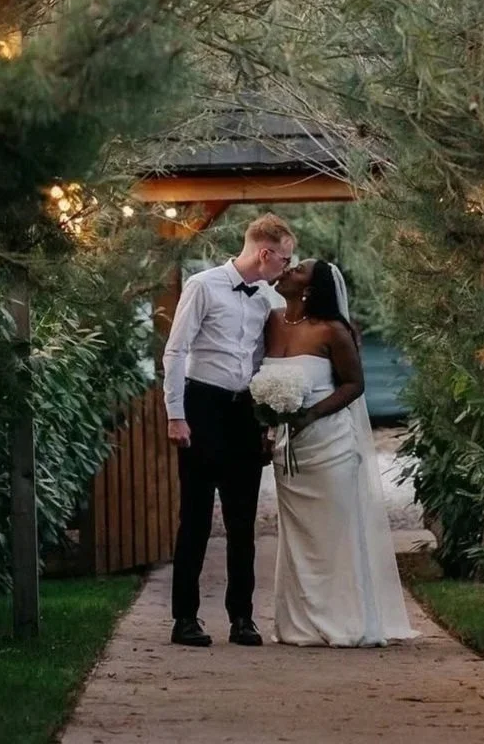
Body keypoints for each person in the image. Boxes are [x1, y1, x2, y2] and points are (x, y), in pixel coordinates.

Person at [265, 259, 419, 647]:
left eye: (297, 270)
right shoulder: (270, 320)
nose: (287, 271)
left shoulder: (333, 331)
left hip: (328, 445)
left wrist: (312, 414)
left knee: (334, 535)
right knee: (298, 539)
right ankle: (298, 623)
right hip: (288, 451)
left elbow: (354, 384)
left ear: (311, 289)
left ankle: (346, 621)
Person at [163, 212, 296, 647]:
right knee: (196, 519)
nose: (287, 269)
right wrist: (175, 414)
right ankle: (185, 619)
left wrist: (266, 418)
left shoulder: (267, 300)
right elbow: (176, 351)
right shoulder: (202, 286)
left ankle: (242, 618)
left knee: (243, 522)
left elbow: (266, 358)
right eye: (284, 260)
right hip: (202, 406)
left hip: (244, 413)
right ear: (265, 253)